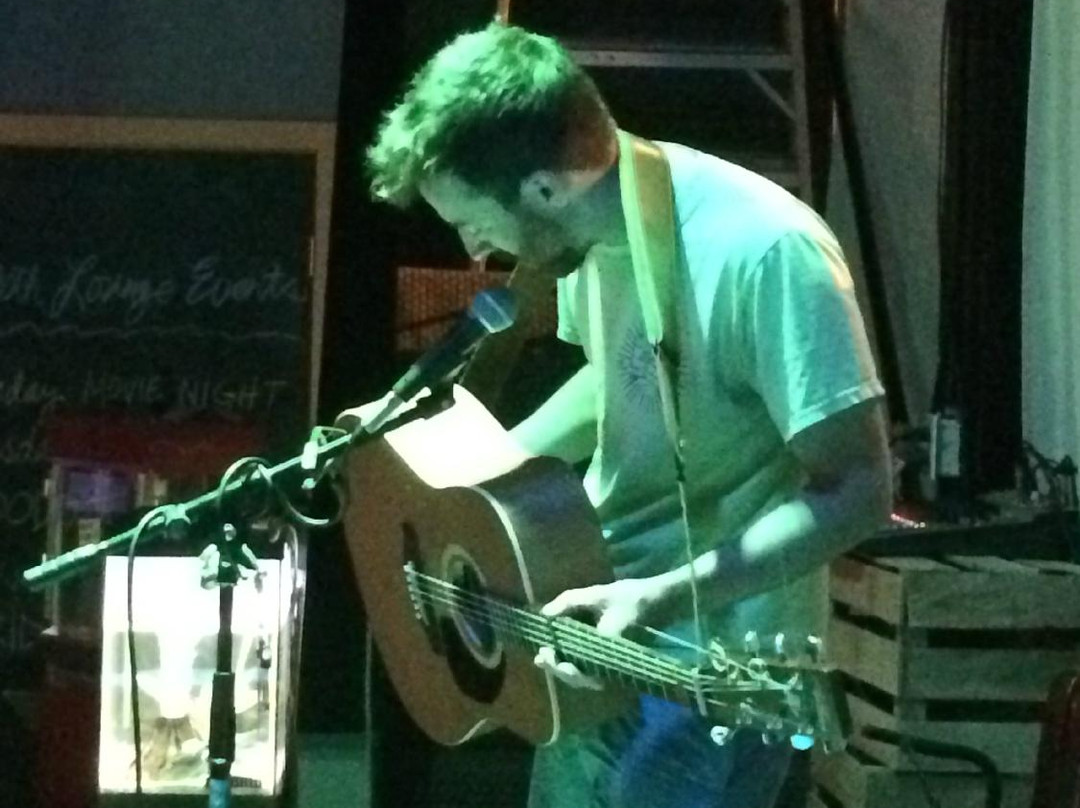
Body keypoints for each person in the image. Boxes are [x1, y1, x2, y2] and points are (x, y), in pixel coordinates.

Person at [362, 21, 892, 808]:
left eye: (473, 221)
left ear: (547, 188)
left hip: (711, 675)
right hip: (594, 634)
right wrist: (468, 485)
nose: (474, 250)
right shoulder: (596, 232)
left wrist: (661, 594)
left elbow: (860, 488)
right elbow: (620, 379)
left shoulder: (766, 250)